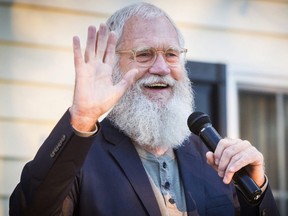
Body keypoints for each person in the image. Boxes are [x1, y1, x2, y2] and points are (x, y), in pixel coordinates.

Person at [9, 2, 279, 216]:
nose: (161, 68)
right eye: (143, 54)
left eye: (171, 54)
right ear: (113, 67)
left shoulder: (213, 158)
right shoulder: (79, 157)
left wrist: (257, 188)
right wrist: (80, 119)